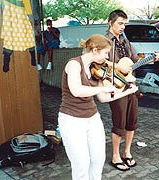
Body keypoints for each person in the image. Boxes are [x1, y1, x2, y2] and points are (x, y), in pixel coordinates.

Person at [57, 34, 138, 180]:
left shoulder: (97, 69)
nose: (107, 57)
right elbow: (77, 90)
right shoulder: (74, 64)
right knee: (81, 164)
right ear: (95, 50)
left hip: (93, 118)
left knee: (98, 159)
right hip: (71, 119)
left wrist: (127, 90)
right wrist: (104, 89)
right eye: (106, 53)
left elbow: (103, 98)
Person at [105, 9, 159, 171]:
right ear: (111, 23)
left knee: (132, 121)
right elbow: (99, 63)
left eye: (125, 24)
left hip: (130, 85)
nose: (123, 27)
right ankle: (115, 156)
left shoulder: (125, 41)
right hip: (116, 86)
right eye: (120, 23)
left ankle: (127, 152)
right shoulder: (104, 41)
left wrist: (152, 58)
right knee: (119, 122)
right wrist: (117, 67)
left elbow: (136, 61)